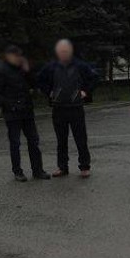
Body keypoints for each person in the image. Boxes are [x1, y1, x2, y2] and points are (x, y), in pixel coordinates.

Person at [0, 45, 50, 182]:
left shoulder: (22, 69)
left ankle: (38, 170)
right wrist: (9, 105)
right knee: (15, 143)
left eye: (20, 55)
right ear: (8, 56)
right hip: (12, 113)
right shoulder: (1, 71)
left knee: (34, 141)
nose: (18, 58)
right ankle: (17, 171)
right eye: (16, 56)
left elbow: (34, 84)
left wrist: (28, 71)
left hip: (27, 111)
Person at [37, 39, 98, 178]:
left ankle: (84, 166)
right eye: (61, 50)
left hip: (76, 107)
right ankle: (62, 167)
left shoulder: (80, 65)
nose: (63, 53)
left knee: (81, 139)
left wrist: (86, 91)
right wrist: (49, 92)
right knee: (61, 140)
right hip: (58, 108)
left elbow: (94, 78)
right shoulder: (52, 66)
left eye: (66, 50)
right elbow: (40, 79)